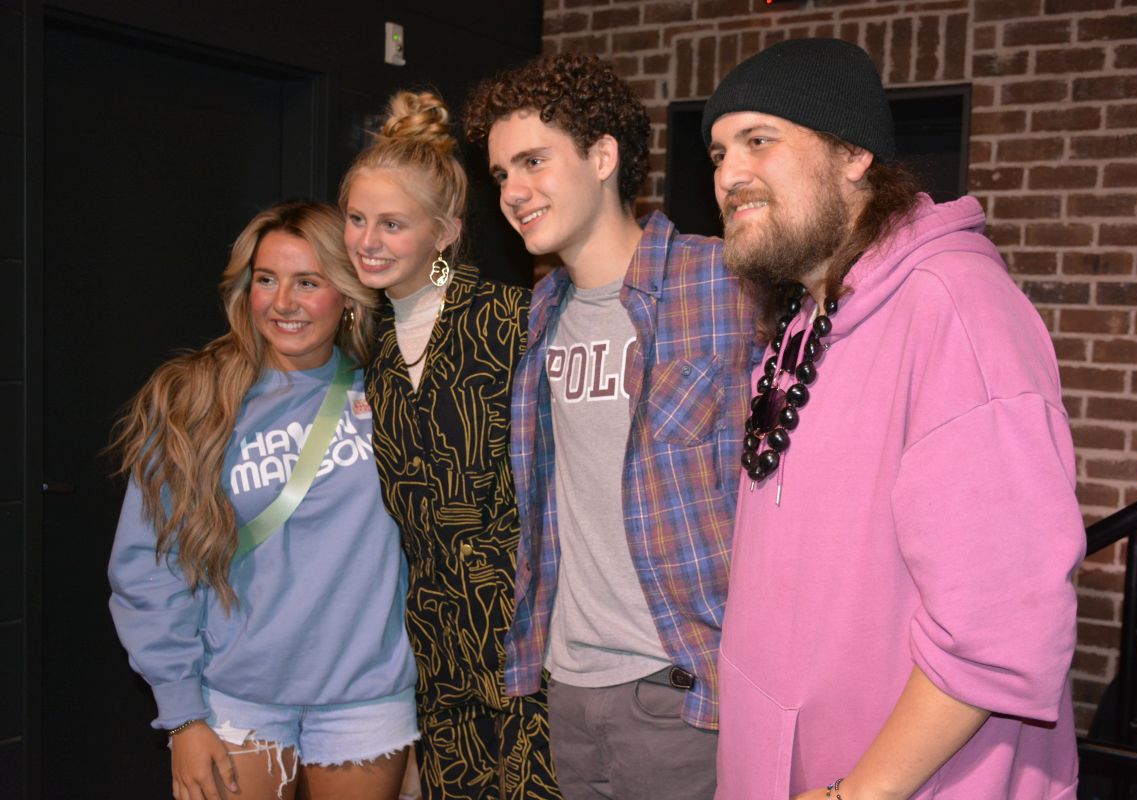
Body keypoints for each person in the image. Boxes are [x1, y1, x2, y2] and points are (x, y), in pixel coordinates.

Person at [703, 38, 1086, 799]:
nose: (728, 175)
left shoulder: (958, 310)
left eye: (759, 140)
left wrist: (856, 794)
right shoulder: (807, 317)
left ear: (853, 154)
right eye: (717, 153)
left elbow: (1001, 629)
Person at [463, 53, 759, 799]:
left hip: (683, 691)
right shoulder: (542, 312)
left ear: (602, 157)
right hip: (566, 688)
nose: (513, 191)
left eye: (534, 161)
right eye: (500, 173)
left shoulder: (724, 282)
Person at [108, 201, 419, 800]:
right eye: (267, 280)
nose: (283, 303)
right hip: (234, 698)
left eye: (308, 282)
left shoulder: (394, 393)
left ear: (349, 294)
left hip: (367, 697)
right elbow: (148, 567)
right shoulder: (194, 401)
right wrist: (182, 716)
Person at [339, 90, 560, 800]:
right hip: (434, 654)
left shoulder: (513, 321)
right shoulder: (367, 345)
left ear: (444, 233)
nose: (367, 241)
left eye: (392, 224)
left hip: (530, 644)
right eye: (356, 219)